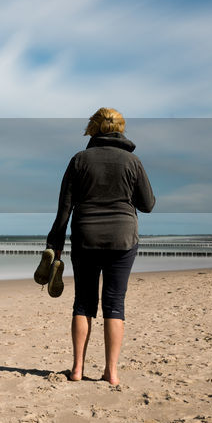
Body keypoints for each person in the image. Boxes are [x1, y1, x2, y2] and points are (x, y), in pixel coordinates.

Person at [44, 108, 154, 386]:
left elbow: (64, 208)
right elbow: (148, 204)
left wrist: (54, 245)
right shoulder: (132, 161)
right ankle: (111, 373)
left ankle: (77, 369)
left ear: (92, 129)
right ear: (120, 129)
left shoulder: (79, 160)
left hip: (85, 237)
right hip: (123, 238)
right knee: (115, 304)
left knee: (83, 302)